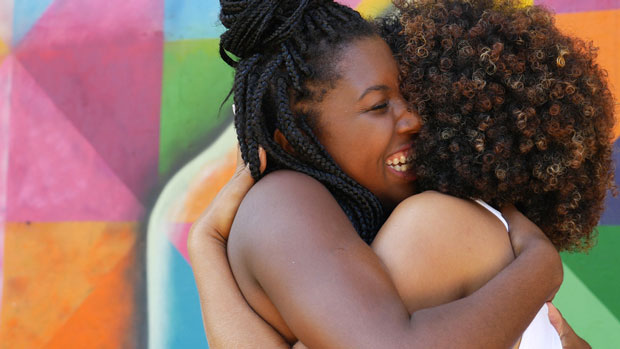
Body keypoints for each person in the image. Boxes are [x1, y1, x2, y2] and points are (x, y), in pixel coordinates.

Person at [188, 0, 612, 347]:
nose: (411, 119)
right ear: (293, 137)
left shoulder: (434, 221)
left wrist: (205, 248)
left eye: (409, 95)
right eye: (377, 105)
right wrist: (541, 268)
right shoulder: (286, 199)